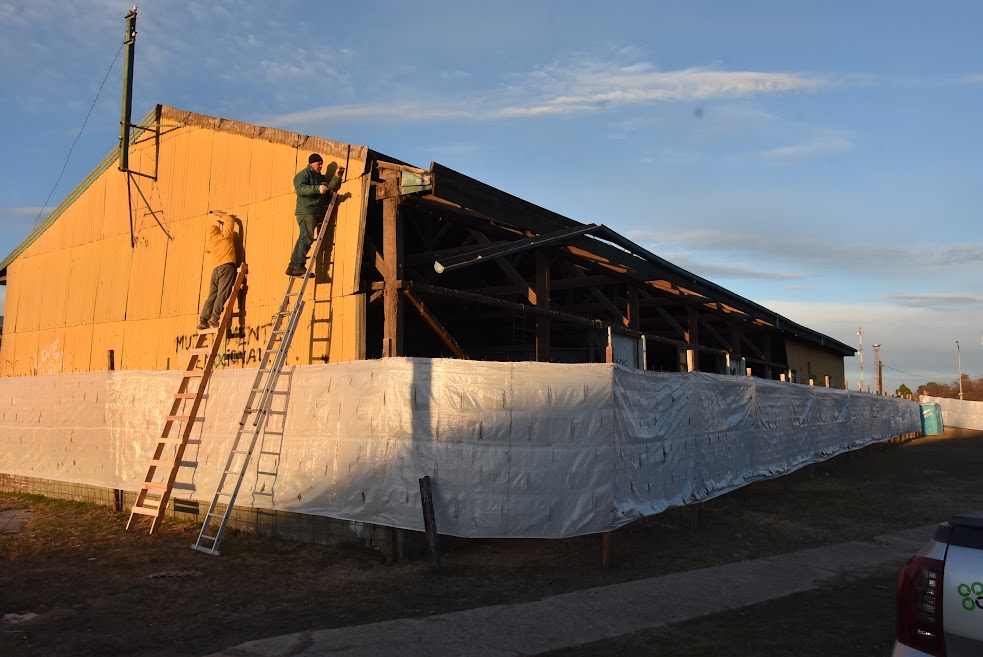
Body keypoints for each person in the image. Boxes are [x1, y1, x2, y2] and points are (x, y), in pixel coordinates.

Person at [286, 153, 341, 276]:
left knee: (303, 238)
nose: (321, 166)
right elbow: (300, 188)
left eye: (322, 163)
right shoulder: (304, 174)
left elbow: (329, 188)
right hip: (306, 211)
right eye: (319, 163)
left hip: (314, 211)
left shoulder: (319, 177)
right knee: (306, 238)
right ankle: (299, 266)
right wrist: (317, 189)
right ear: (311, 163)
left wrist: (337, 177)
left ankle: (292, 266)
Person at [198, 210, 238, 331]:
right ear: (218, 231)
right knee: (222, 293)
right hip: (226, 266)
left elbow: (207, 250)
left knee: (212, 295)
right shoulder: (225, 236)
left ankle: (203, 320)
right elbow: (231, 220)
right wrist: (220, 214)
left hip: (215, 270)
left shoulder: (211, 243)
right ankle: (214, 318)